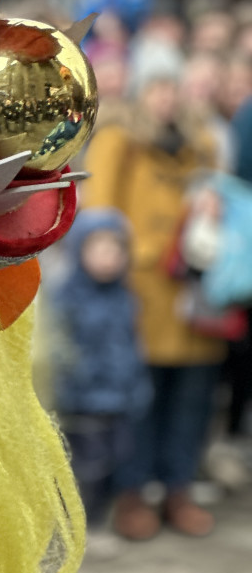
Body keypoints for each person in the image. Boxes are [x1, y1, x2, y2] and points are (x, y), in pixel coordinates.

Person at [82, 65, 223, 540]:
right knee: (138, 399)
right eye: (157, 88)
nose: (166, 99)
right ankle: (133, 492)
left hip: (194, 291)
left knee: (191, 398)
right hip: (139, 291)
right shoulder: (119, 140)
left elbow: (219, 206)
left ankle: (178, 489)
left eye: (172, 88)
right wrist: (130, 255)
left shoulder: (200, 145)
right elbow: (99, 214)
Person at [49, 209, 151, 533]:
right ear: (80, 250)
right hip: (82, 403)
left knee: (114, 461)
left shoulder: (126, 297)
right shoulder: (66, 297)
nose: (109, 258)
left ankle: (96, 521)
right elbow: (59, 351)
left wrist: (137, 384)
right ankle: (75, 527)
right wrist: (72, 384)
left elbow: (132, 345)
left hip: (119, 399)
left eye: (116, 249)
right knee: (83, 467)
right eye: (99, 249)